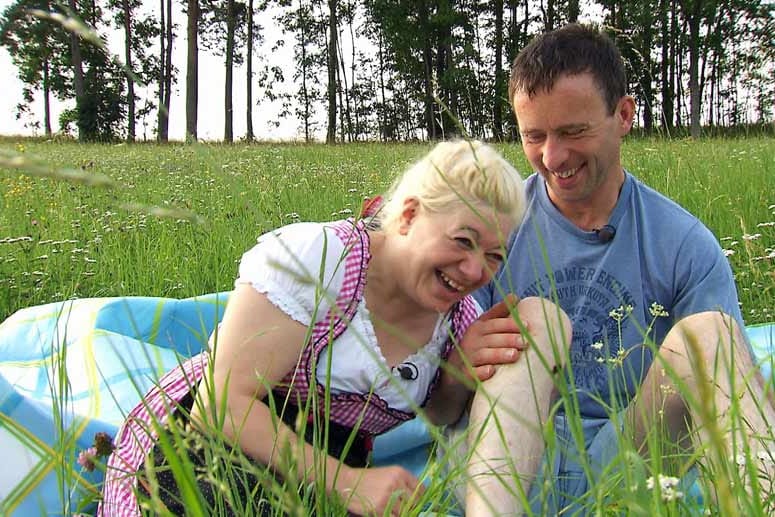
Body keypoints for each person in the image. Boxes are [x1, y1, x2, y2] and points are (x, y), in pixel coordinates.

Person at [97, 139, 568, 517]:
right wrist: (346, 482)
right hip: (214, 449)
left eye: (493, 256)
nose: (472, 271)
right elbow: (221, 404)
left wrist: (456, 375)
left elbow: (438, 417)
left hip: (319, 479)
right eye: (463, 241)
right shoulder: (319, 261)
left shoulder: (456, 319)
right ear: (408, 216)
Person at [449, 24, 775, 516]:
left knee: (714, 335)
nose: (552, 157)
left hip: (626, 463)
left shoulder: (683, 244)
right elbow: (434, 397)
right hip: (498, 470)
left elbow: (727, 393)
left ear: (623, 115)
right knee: (533, 317)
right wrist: (456, 366)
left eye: (573, 132)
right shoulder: (494, 227)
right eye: (534, 136)